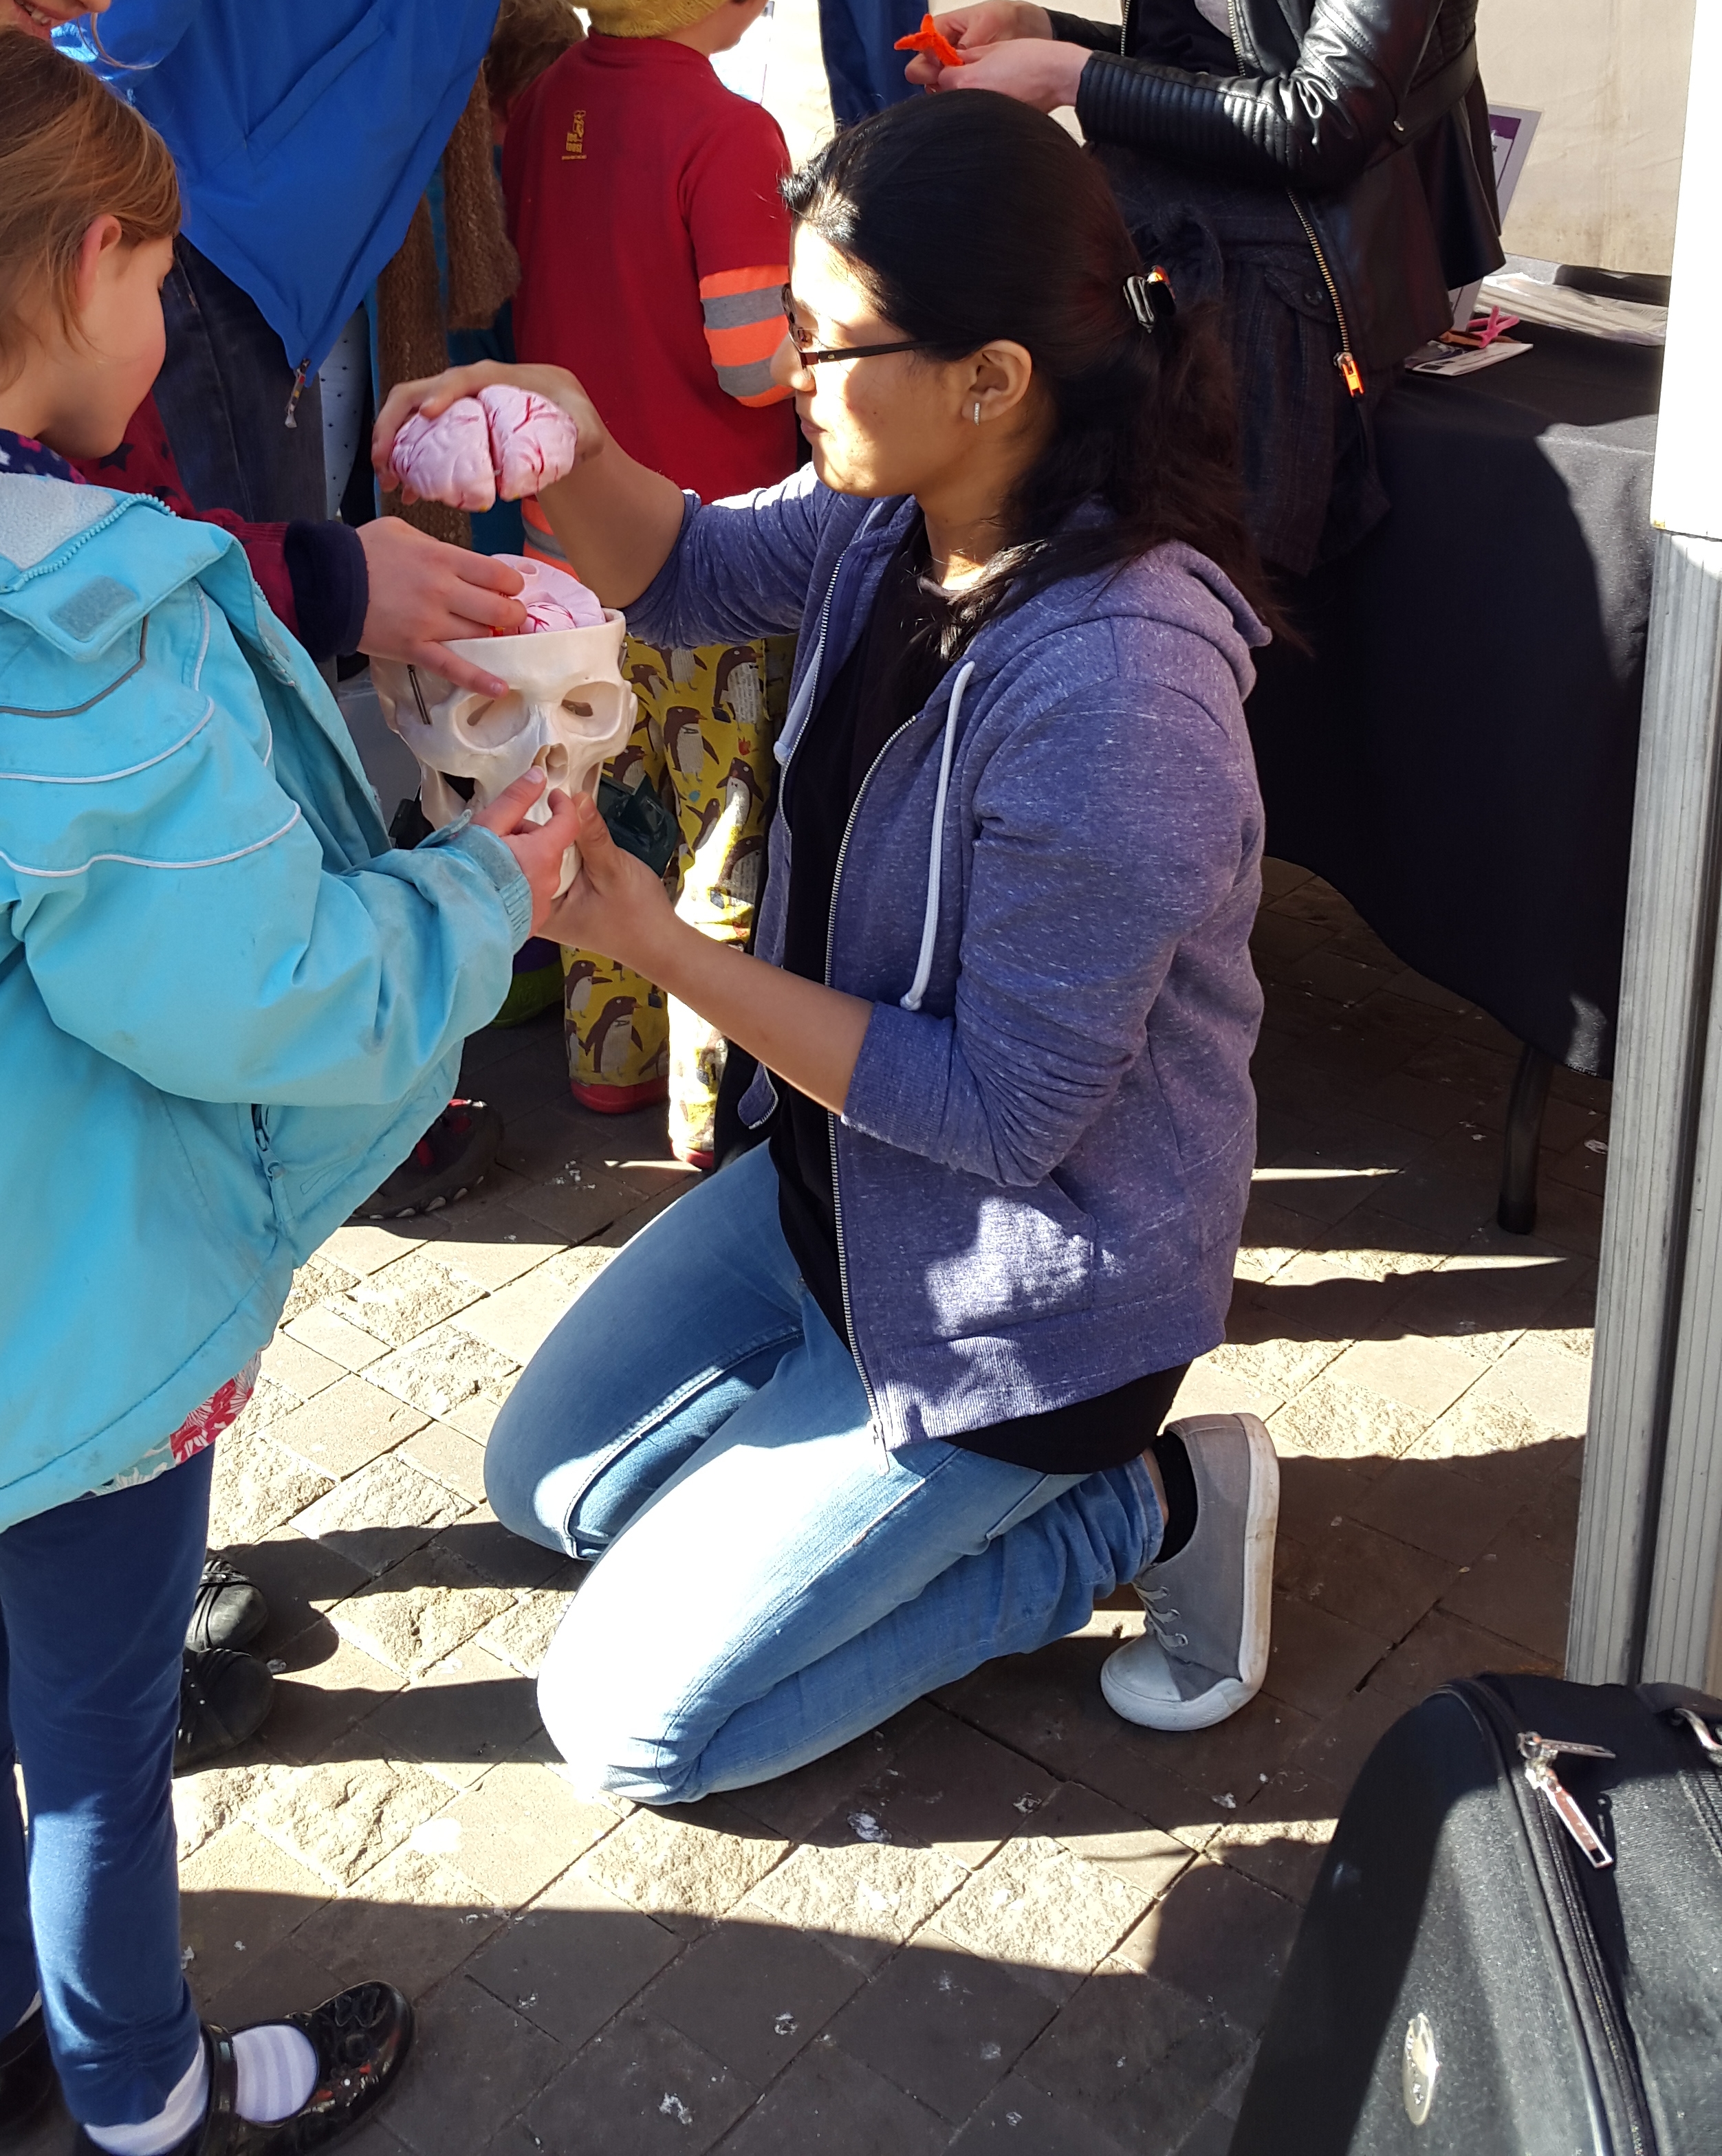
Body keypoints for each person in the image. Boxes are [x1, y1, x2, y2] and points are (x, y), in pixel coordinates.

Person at [378, 88, 1283, 1807]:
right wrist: (567, 446)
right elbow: (698, 573)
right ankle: (820, 1483)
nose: (787, 369)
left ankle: (1143, 1503)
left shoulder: (1116, 697)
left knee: (633, 1729)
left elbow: (1009, 1119)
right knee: (547, 1496)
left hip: (1024, 1311)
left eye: (819, 338)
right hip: (831, 1202)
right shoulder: (897, 514)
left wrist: (655, 944)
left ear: (990, 376)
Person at [0, 40, 580, 2149]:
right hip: (63, 1351)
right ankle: (149, 2096)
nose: (171, 338)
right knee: (93, 1743)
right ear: (83, 272)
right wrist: (476, 890)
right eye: (162, 285)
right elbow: (266, 992)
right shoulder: (76, 642)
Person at [501, 0, 799, 1164]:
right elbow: (747, 363)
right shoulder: (730, 133)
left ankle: (605, 1061)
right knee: (721, 829)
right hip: (706, 557)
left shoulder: (543, 103)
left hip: (560, 548)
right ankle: (708, 1108)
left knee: (589, 813)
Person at [902, 0, 1502, 578]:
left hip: (1281, 283)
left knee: (1187, 570)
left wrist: (1068, 75)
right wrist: (1043, 32)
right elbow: (1218, 56)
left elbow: (1323, 122)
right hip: (1154, 242)